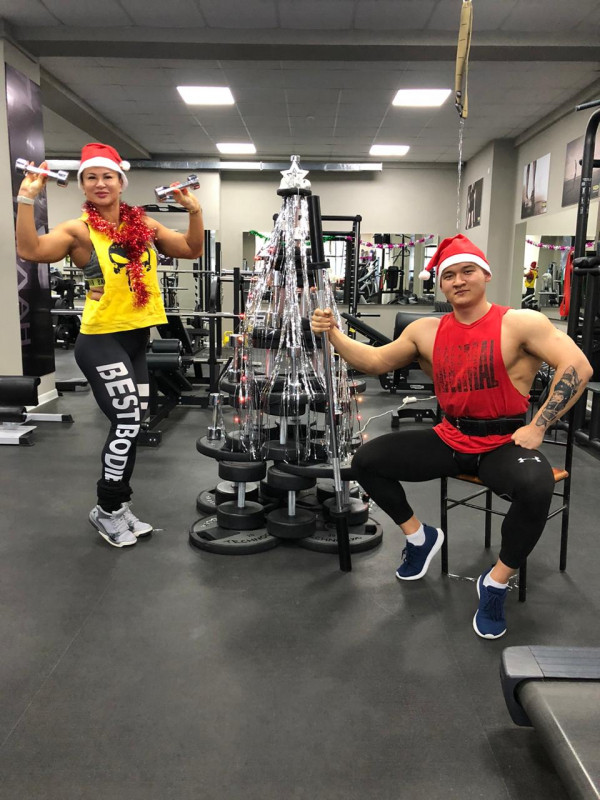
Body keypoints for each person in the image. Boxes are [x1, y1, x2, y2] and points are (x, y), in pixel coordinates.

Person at [311, 234, 592, 639]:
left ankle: (496, 582)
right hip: (449, 437)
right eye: (449, 275)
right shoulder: (425, 331)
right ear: (440, 284)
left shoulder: (520, 323)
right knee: (366, 462)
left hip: (503, 444)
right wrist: (334, 334)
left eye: (467, 271)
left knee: (536, 486)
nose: (458, 281)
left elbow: (578, 366)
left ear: (486, 275)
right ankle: (419, 538)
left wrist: (539, 425)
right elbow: (374, 362)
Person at [16, 142, 204, 548]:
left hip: (136, 338)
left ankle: (119, 506)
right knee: (126, 421)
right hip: (101, 339)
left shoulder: (144, 225)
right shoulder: (78, 230)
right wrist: (26, 199)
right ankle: (106, 508)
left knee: (133, 424)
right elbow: (30, 250)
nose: (100, 183)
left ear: (121, 182)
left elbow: (191, 249)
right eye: (91, 177)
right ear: (82, 185)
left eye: (107, 176)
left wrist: (194, 210)